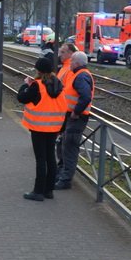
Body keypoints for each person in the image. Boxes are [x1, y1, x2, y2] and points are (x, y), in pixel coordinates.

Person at [17, 56, 65, 201]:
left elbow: (22, 98)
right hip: (54, 127)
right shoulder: (58, 84)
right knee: (51, 158)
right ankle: (48, 190)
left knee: (41, 159)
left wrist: (25, 85)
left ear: (38, 70)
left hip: (39, 127)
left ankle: (38, 192)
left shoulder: (37, 85)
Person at [54, 51, 94, 190]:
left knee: (69, 148)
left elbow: (85, 96)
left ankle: (65, 180)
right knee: (65, 146)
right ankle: (61, 174)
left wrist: (76, 112)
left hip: (76, 118)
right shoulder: (78, 74)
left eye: (71, 61)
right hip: (72, 117)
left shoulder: (81, 76)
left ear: (77, 63)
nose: (69, 63)